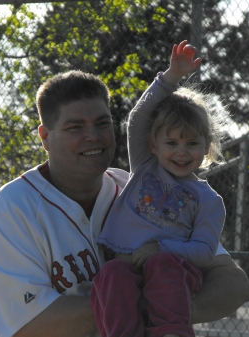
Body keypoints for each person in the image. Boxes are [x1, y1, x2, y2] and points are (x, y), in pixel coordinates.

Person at [0, 51, 249, 336]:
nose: (93, 136)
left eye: (102, 123)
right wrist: (155, 301)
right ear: (45, 137)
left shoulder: (138, 188)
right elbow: (31, 324)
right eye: (75, 127)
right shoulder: (13, 208)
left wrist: (169, 313)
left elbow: (234, 285)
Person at [90, 40, 227, 337]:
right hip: (123, 262)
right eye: (172, 143)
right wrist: (171, 77)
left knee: (164, 267)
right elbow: (137, 119)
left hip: (172, 268)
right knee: (111, 275)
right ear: (154, 144)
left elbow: (203, 252)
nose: (182, 151)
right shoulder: (144, 165)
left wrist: (159, 249)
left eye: (192, 143)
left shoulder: (208, 199)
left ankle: (171, 332)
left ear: (206, 147)